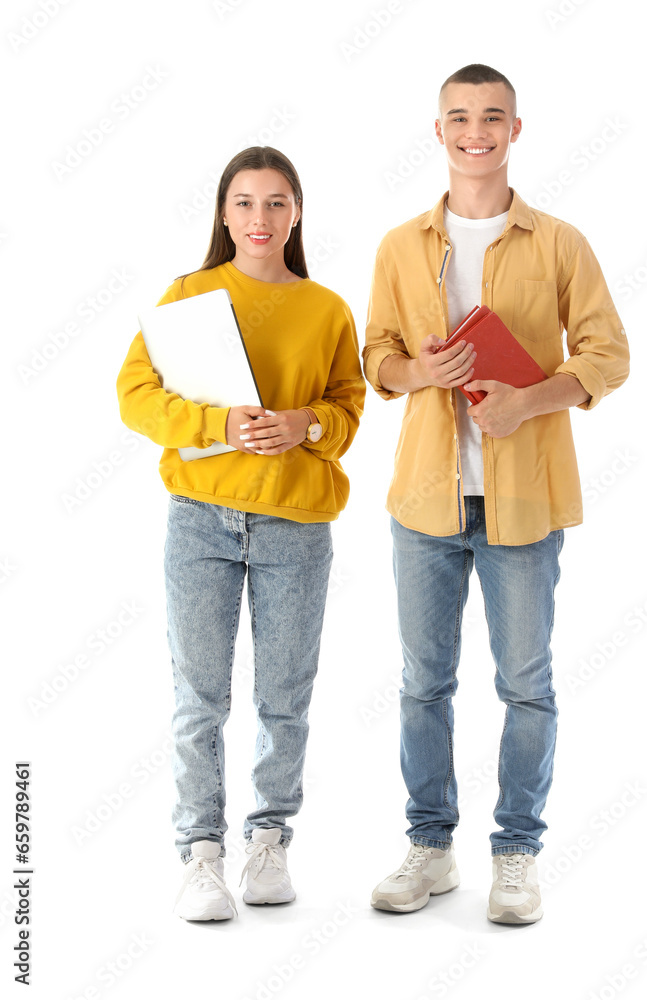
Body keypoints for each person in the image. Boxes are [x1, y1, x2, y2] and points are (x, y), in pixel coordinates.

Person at [363, 64, 629, 923]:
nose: (474, 130)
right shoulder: (401, 245)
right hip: (425, 503)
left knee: (526, 685)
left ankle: (516, 855)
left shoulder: (559, 242)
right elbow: (376, 357)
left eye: (492, 117)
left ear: (516, 130)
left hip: (522, 503)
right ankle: (429, 846)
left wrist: (530, 400)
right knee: (422, 685)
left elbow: (605, 355)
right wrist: (418, 369)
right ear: (436, 132)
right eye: (458, 118)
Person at [117, 146, 365, 921]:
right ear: (224, 214)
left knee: (285, 697)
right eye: (246, 203)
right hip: (201, 521)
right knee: (200, 696)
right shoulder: (188, 297)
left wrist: (308, 423)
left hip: (296, 525)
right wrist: (218, 425)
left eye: (277, 203)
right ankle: (201, 853)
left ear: (297, 214)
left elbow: (349, 408)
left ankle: (269, 843)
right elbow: (135, 395)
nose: (261, 218)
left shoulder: (326, 308)